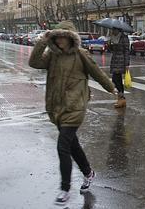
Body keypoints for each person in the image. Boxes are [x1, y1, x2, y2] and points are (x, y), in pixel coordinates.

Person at [28, 20, 118, 205]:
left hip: (75, 106)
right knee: (72, 144)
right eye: (57, 36)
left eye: (63, 36)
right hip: (56, 107)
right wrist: (42, 42)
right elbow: (34, 62)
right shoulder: (51, 56)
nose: (60, 39)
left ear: (70, 38)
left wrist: (112, 88)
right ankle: (88, 172)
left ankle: (65, 189)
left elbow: (96, 72)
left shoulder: (80, 54)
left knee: (62, 146)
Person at [107, 28, 129, 108]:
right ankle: (121, 98)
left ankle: (121, 98)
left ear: (118, 30)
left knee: (115, 79)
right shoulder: (113, 37)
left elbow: (127, 51)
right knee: (116, 79)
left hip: (121, 60)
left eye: (114, 30)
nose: (112, 31)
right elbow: (111, 50)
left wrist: (127, 64)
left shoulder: (124, 38)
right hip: (114, 60)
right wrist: (109, 44)